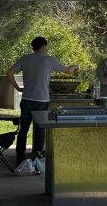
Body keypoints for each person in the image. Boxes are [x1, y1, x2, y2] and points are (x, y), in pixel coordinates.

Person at [6, 36, 79, 164]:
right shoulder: (49, 59)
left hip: (27, 99)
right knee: (40, 129)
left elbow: (9, 73)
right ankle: (38, 157)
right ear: (44, 46)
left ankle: (19, 156)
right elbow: (68, 70)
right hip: (42, 100)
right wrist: (75, 67)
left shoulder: (25, 58)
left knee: (23, 129)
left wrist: (18, 88)